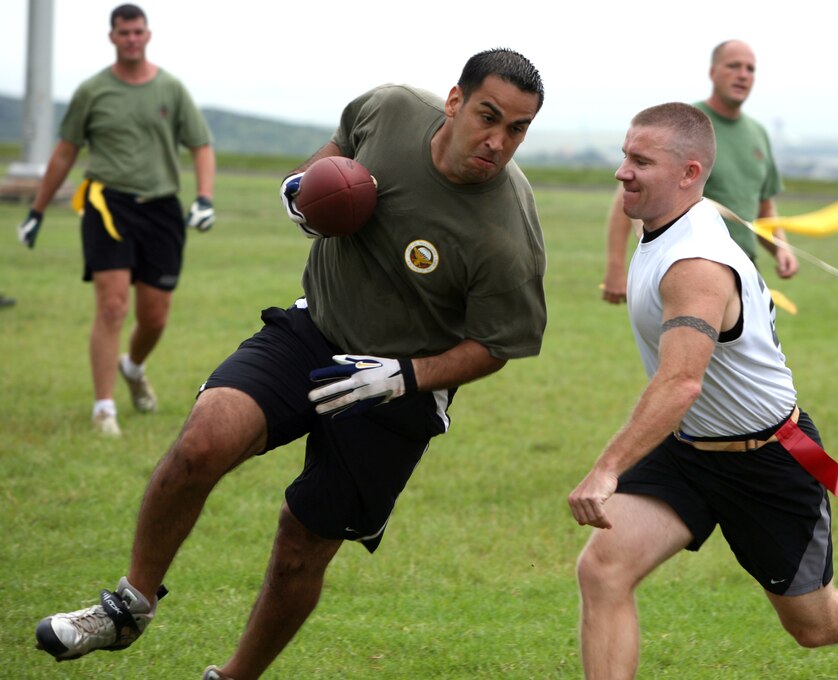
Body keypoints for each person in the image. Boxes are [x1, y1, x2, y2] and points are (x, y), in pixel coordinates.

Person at [33, 48, 547, 679]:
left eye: (517, 129)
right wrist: (302, 189)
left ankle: (235, 677)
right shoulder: (389, 110)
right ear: (454, 100)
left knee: (302, 544)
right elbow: (335, 153)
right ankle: (127, 607)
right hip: (314, 329)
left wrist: (399, 377)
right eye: (488, 117)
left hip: (398, 386)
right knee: (202, 441)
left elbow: (497, 345)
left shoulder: (507, 233)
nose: (497, 142)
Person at [568, 103, 838, 680]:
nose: (622, 172)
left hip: (769, 457)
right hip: (688, 450)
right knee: (602, 570)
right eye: (625, 155)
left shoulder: (697, 265)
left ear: (689, 173)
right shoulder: (664, 215)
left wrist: (606, 469)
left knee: (815, 625)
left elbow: (681, 382)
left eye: (641, 161)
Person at [15, 3, 217, 436]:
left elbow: (201, 145)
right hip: (107, 206)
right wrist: (36, 211)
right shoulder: (92, 91)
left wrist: (204, 198)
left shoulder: (171, 89)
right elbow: (65, 152)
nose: (131, 39)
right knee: (111, 307)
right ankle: (103, 407)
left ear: (148, 35)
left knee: (155, 316)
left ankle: (134, 366)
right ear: (112, 37)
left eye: (137, 31)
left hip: (161, 208)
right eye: (123, 32)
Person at [600, 40, 797, 305]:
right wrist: (615, 269)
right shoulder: (686, 125)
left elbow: (764, 207)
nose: (743, 74)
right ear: (712, 72)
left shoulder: (758, 133)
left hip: (745, 270)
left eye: (750, 69)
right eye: (733, 66)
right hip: (689, 266)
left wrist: (780, 249)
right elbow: (630, 189)